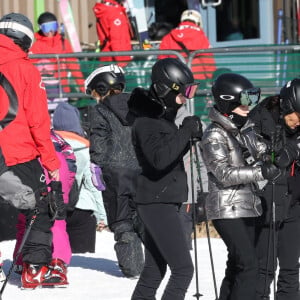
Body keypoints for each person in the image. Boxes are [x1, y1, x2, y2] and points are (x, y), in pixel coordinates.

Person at [0, 12, 66, 289]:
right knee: (39, 207)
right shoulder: (26, 69)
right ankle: (36, 267)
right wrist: (51, 161)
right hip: (19, 152)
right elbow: (38, 121)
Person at [200, 72, 281, 300]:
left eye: (251, 101)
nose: (249, 107)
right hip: (226, 209)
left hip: (248, 205)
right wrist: (261, 171)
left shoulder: (245, 129)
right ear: (228, 101)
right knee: (249, 265)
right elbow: (224, 173)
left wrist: (276, 150)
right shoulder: (214, 135)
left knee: (236, 265)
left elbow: (263, 153)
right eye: (245, 101)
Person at [127, 57, 202, 300]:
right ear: (164, 89)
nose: (187, 98)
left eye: (191, 91)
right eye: (183, 91)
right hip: (156, 201)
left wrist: (187, 135)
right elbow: (159, 160)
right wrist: (185, 132)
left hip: (161, 199)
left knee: (154, 269)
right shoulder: (146, 122)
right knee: (183, 270)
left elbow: (168, 153)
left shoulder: (161, 119)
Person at [87, 64, 144, 278]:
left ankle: (133, 268)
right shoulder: (140, 106)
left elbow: (99, 142)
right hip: (142, 170)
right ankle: (159, 260)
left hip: (114, 173)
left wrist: (96, 165)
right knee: (143, 216)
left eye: (94, 93)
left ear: (101, 89)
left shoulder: (100, 110)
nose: (94, 98)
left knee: (122, 222)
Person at [250, 80, 300, 300]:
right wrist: (276, 153)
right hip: (266, 203)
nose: (298, 121)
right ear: (286, 106)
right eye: (297, 114)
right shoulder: (260, 120)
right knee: (264, 268)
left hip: (294, 203)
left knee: (290, 267)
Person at [52, 102, 107, 253]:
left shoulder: (48, 145)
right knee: (83, 266)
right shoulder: (86, 148)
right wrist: (102, 216)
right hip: (82, 209)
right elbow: (94, 184)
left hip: (53, 209)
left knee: (58, 258)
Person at [29, 11, 85, 95]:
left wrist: (83, 88)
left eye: (53, 26)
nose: (51, 31)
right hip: (45, 90)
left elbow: (74, 66)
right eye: (47, 28)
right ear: (40, 28)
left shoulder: (63, 43)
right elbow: (31, 70)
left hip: (63, 90)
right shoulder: (37, 46)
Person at [159, 9, 216, 80]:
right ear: (198, 22)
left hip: (175, 78)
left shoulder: (168, 37)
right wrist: (210, 77)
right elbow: (207, 60)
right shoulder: (201, 37)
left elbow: (162, 60)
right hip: (197, 78)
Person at [93, 0, 133, 66]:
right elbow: (117, 40)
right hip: (115, 61)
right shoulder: (114, 13)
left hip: (106, 57)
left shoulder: (105, 9)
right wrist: (122, 63)